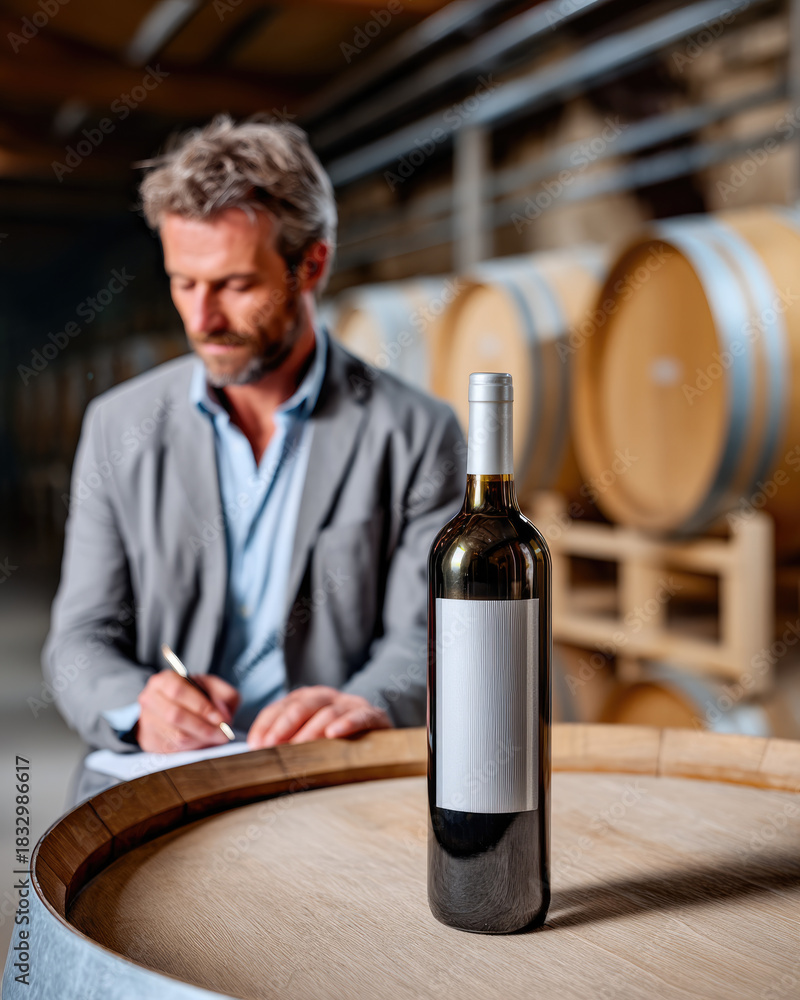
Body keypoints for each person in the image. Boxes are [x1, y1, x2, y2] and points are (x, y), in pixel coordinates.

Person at [43, 114, 465, 803]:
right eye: (184, 282)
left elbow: (426, 638)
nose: (202, 319)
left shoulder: (417, 432)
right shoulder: (116, 425)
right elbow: (78, 641)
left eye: (235, 285)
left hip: (331, 781)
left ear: (313, 265)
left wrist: (367, 702)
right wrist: (139, 706)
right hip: (158, 779)